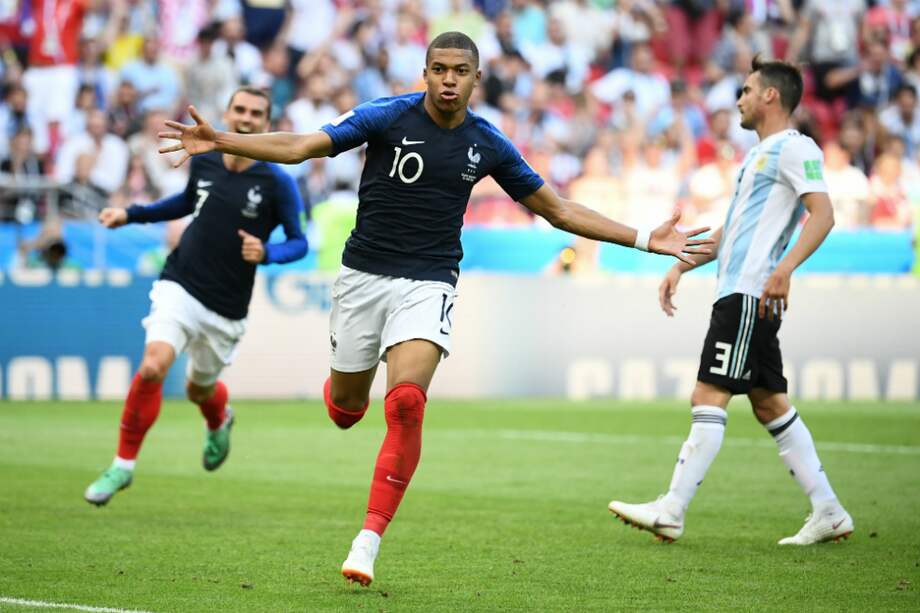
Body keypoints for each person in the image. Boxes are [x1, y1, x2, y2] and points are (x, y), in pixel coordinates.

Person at [158, 31, 712, 586]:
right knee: (346, 411)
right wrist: (224, 141)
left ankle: (367, 542)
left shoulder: (488, 143)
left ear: (476, 78)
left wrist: (645, 238)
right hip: (362, 278)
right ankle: (345, 392)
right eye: (439, 69)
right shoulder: (386, 116)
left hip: (429, 281)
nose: (449, 80)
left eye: (460, 71)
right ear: (425, 72)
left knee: (405, 405)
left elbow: (558, 209)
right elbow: (303, 146)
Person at [608, 56, 854, 546]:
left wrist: (784, 269)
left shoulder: (794, 147)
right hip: (740, 291)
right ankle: (828, 510)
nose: (737, 99)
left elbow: (823, 214)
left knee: (707, 396)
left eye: (745, 90)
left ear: (770, 96)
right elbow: (729, 234)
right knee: (769, 404)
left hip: (748, 293)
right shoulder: (757, 156)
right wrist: (681, 263)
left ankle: (672, 509)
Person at [83, 87, 308, 506]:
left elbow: (299, 242)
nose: (245, 117)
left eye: (255, 113)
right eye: (238, 109)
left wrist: (268, 253)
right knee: (152, 366)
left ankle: (219, 418)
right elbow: (185, 203)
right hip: (181, 281)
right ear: (227, 112)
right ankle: (123, 465)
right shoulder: (203, 160)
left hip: (226, 306)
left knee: (198, 390)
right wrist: (130, 214)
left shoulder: (277, 182)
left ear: (266, 123)